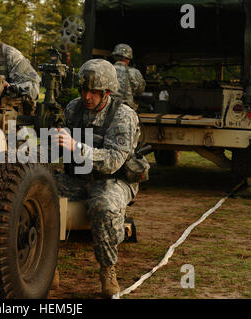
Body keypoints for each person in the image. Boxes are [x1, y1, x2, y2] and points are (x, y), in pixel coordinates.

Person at [53, 59, 141, 298]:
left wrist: (75, 146)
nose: (87, 96)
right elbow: (60, 150)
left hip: (113, 179)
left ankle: (108, 269)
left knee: (104, 206)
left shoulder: (123, 116)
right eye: (84, 90)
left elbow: (113, 161)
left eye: (94, 92)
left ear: (107, 92)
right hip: (78, 176)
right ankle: (47, 265)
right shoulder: (73, 108)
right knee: (38, 192)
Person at [111, 44, 146, 111]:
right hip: (127, 110)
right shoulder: (135, 72)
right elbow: (140, 91)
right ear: (129, 58)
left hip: (106, 109)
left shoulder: (106, 69)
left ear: (114, 56)